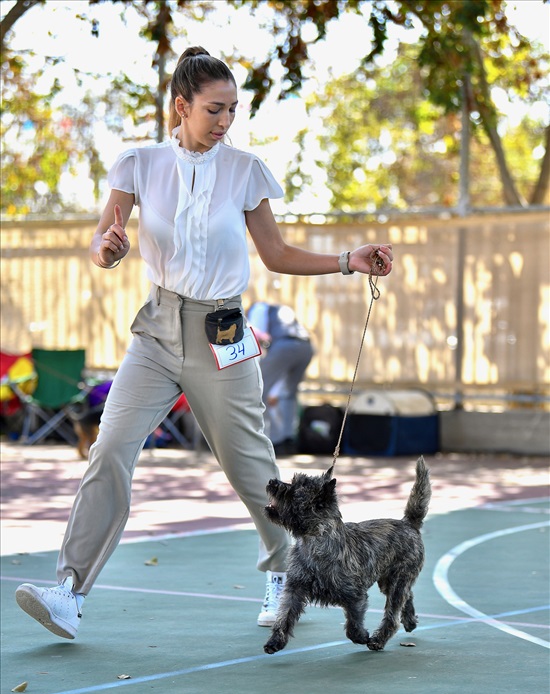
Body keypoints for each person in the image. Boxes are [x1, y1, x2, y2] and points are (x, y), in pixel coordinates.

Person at [15, 47, 393, 641]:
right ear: (181, 106)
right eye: (214, 109)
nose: (225, 121)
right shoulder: (137, 163)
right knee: (109, 446)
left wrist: (349, 260)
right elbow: (102, 243)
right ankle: (69, 591)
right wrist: (108, 250)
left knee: (249, 467)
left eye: (233, 110)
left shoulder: (245, 169)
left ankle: (282, 572)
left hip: (224, 331)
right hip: (158, 330)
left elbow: (277, 255)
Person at [247, 302, 314, 455]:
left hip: (284, 346)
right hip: (306, 347)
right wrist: (276, 391)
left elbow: (258, 336)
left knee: (259, 392)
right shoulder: (281, 309)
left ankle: (274, 441)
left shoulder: (258, 308)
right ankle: (288, 438)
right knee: (289, 394)